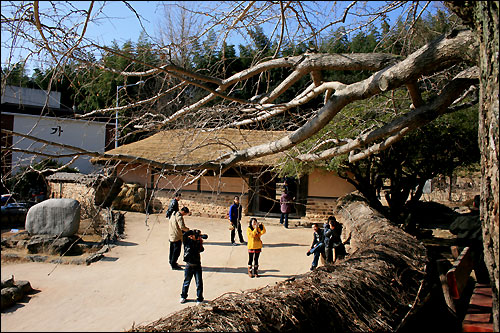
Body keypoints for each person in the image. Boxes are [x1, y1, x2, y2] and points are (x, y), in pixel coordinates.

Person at [450, 195, 489, 283]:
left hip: (462, 252)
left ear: (474, 204)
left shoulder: (462, 218)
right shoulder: (484, 221)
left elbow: (452, 229)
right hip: (479, 254)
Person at [180, 229, 205, 305]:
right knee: (186, 282)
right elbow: (184, 235)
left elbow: (201, 249)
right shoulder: (187, 242)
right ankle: (183, 296)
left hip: (197, 265)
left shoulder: (198, 242)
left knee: (199, 283)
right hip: (188, 265)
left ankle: (199, 298)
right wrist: (192, 232)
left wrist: (199, 240)